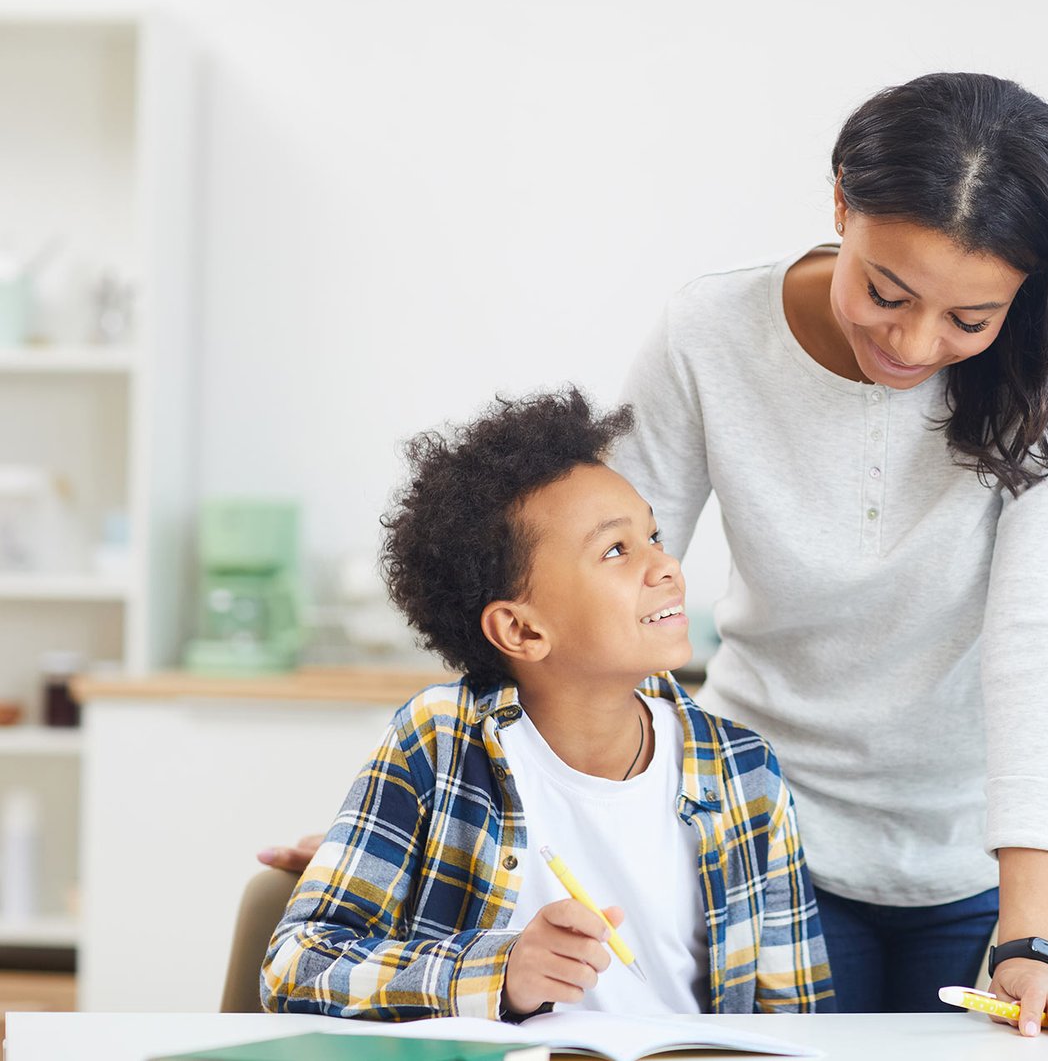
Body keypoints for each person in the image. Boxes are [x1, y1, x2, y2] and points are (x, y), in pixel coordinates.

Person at [265, 70, 1048, 1040]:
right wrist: (440, 818)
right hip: (754, 829)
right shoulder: (715, 332)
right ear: (840, 200)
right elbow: (573, 585)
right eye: (886, 292)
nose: (916, 341)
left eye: (970, 319)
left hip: (990, 853)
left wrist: (1033, 934)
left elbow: (1038, 651)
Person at [260, 390, 833, 1020]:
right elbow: (295, 967)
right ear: (522, 630)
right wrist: (497, 971)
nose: (665, 564)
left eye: (654, 535)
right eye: (617, 551)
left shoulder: (745, 772)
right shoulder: (440, 742)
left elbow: (799, 1022)